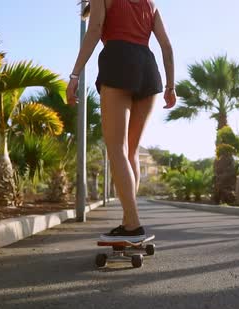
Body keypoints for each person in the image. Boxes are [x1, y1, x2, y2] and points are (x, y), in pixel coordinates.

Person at [67, 0, 176, 242]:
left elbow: (94, 30)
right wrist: (170, 86)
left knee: (116, 148)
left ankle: (134, 225)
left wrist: (75, 75)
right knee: (131, 151)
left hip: (118, 61)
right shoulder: (150, 3)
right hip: (149, 69)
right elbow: (167, 47)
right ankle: (128, 222)